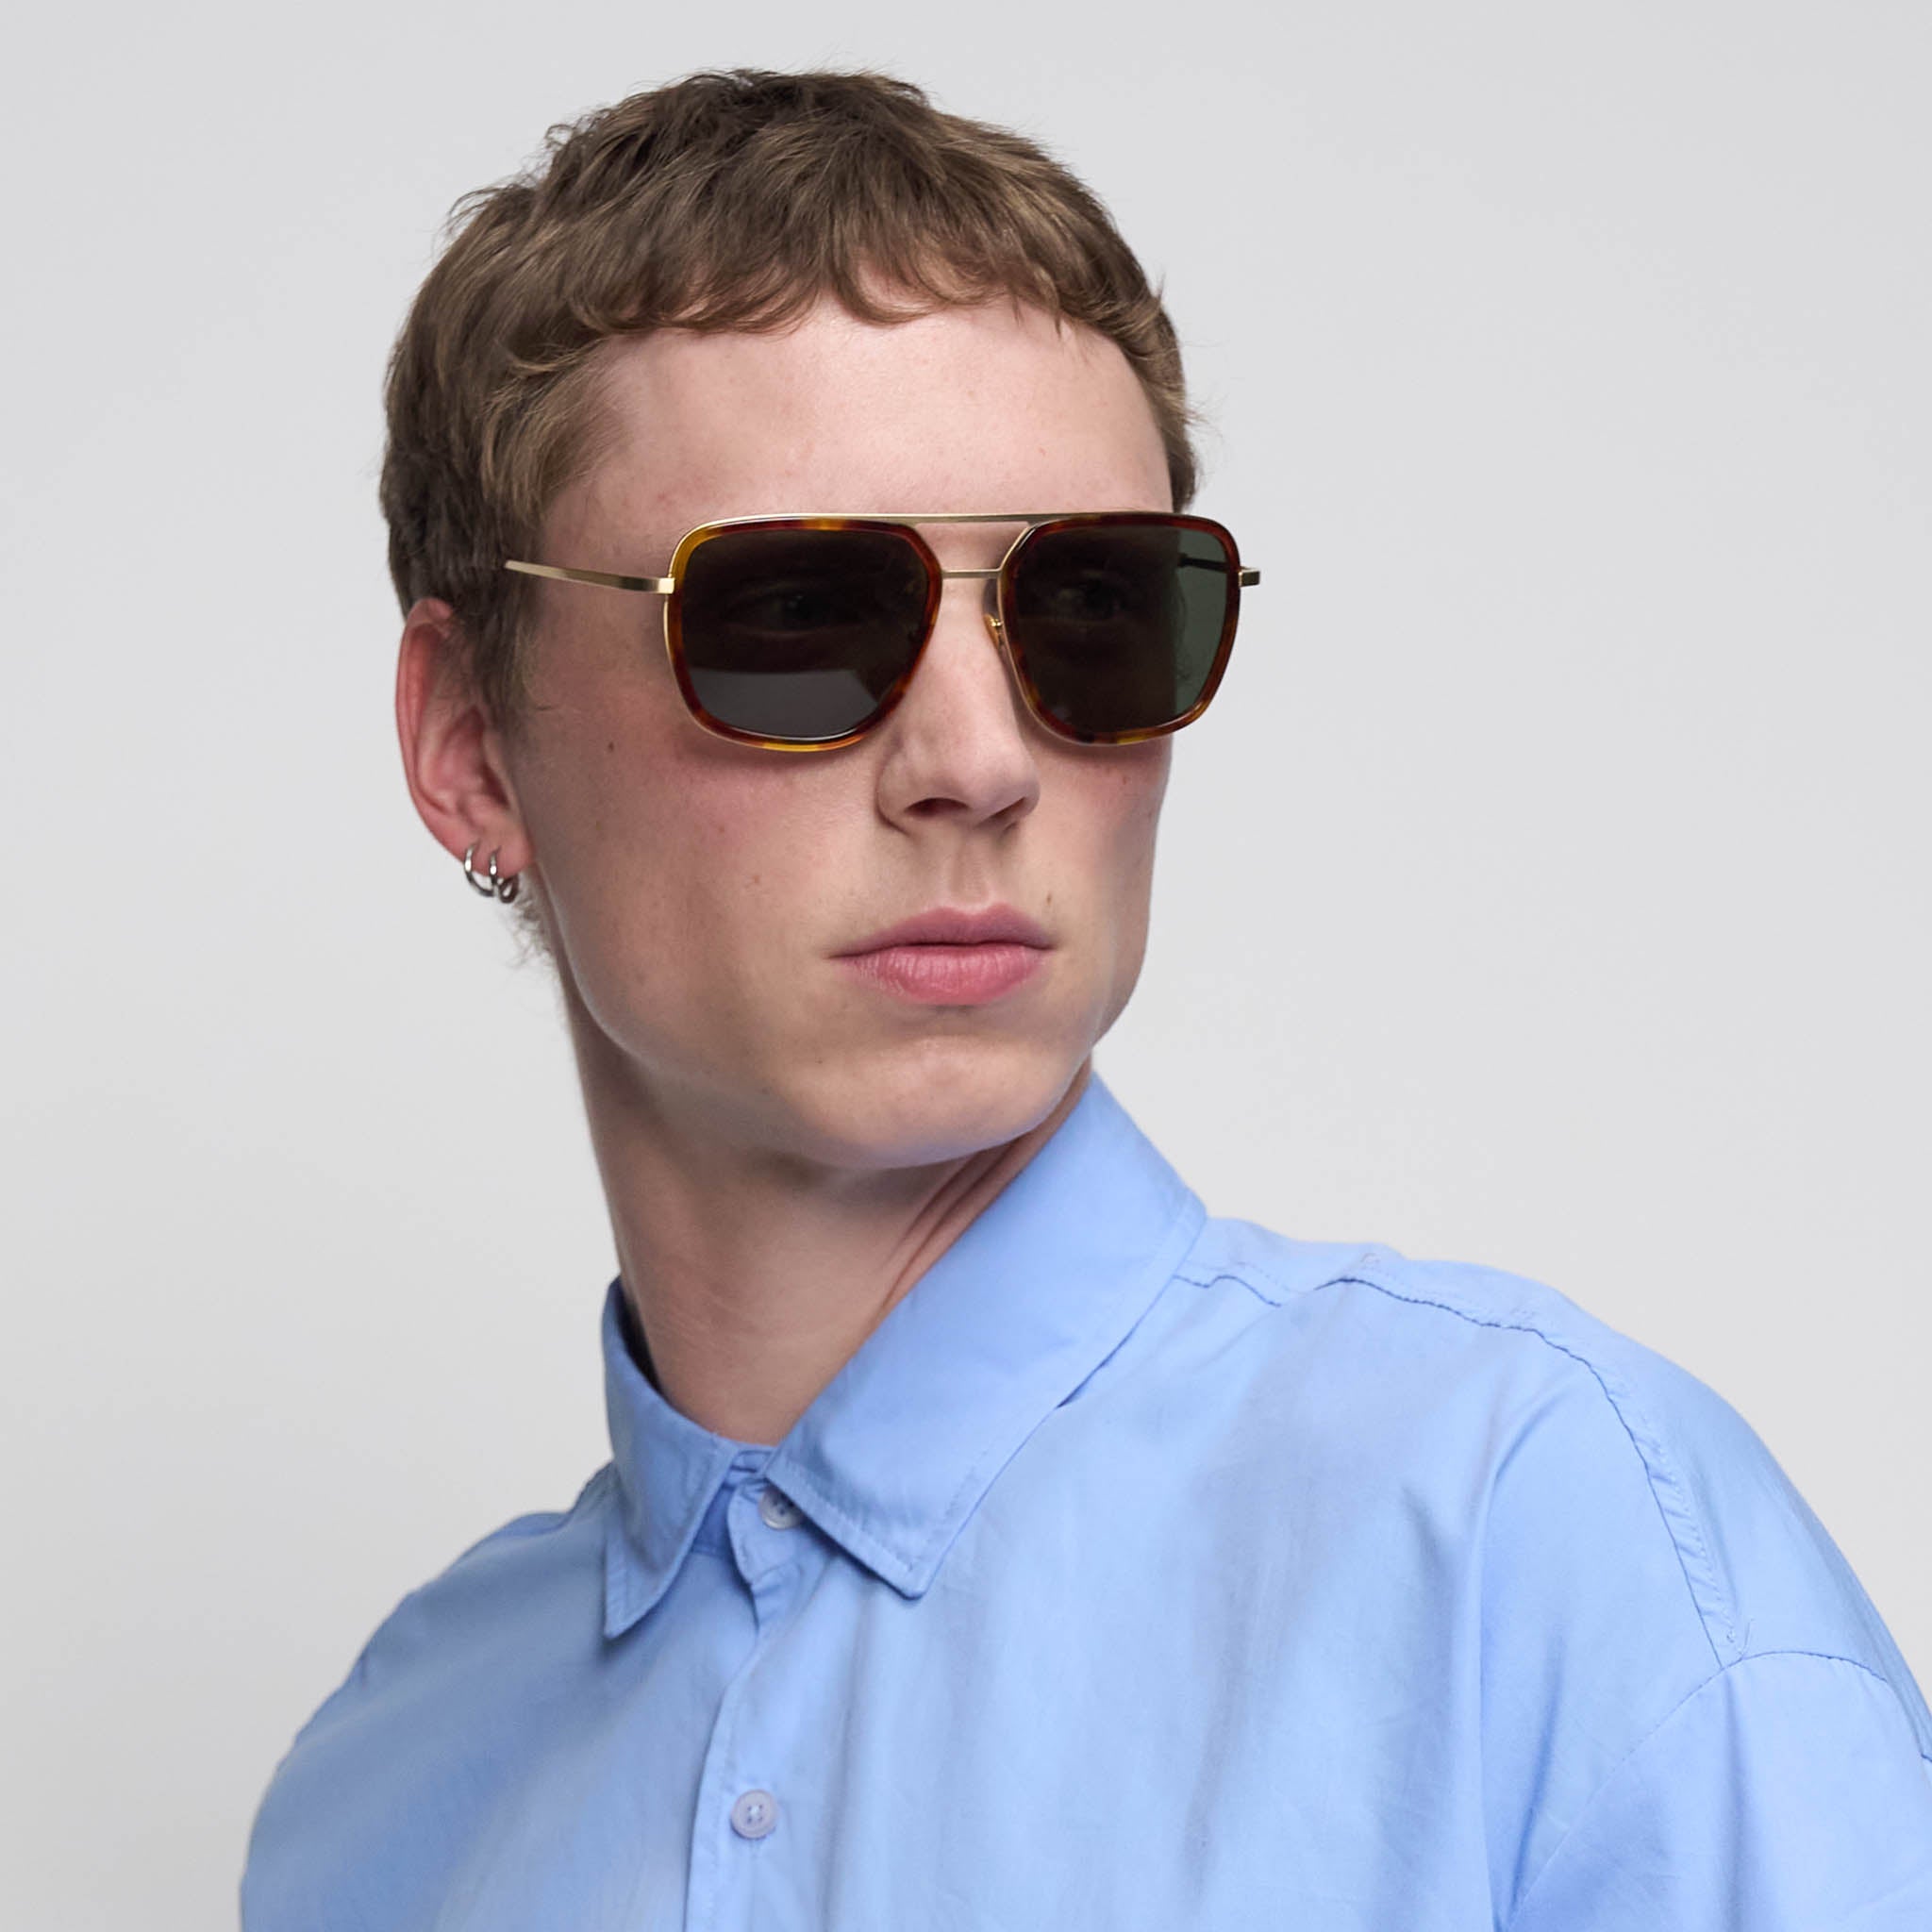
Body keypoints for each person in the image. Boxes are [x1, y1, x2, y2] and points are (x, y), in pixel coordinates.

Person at [241, 66, 1932, 1929]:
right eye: (796, 616)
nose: (978, 762)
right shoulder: (384, 1798)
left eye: (1090, 610)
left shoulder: (1546, 1563)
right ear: (472, 743)